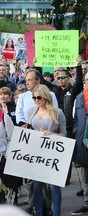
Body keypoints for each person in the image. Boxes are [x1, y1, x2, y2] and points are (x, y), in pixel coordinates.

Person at [26, 84, 66, 216]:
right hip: (36, 152)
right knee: (36, 186)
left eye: (39, 97)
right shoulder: (32, 111)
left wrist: (52, 135)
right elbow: (29, 130)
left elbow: (64, 134)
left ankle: (57, 213)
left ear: (46, 97)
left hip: (52, 153)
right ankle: (38, 213)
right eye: (34, 98)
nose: (36, 100)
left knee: (54, 187)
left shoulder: (57, 112)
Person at [71, 72, 88, 215]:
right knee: (85, 176)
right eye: (87, 80)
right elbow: (75, 118)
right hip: (83, 143)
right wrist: (77, 132)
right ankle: (87, 203)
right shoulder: (79, 98)